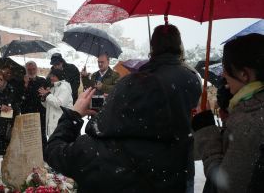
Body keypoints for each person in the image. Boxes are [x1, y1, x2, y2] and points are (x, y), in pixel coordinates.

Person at [45, 24, 202, 192]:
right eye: (98, 62)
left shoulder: (92, 151)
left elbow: (54, 150)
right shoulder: (172, 154)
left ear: (117, 100)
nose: (99, 64)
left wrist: (74, 115)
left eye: (101, 62)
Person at [192, 33, 264, 193]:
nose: (223, 75)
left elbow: (225, 186)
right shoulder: (250, 110)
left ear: (244, 74)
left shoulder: (250, 122)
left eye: (226, 69)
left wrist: (206, 130)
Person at [22, 61, 48, 154]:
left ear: (36, 69)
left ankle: (44, 156)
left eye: (33, 69)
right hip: (27, 113)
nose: (32, 71)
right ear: (26, 70)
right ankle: (31, 155)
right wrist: (25, 85)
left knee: (42, 135)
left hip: (41, 113)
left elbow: (47, 95)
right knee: (29, 136)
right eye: (29, 69)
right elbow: (20, 98)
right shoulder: (22, 82)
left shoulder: (42, 81)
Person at [39, 69, 73, 137]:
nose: (51, 78)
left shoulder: (64, 88)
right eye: (51, 76)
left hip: (61, 124)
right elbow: (49, 105)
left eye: (54, 76)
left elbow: (59, 104)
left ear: (59, 76)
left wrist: (47, 94)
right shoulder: (53, 88)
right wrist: (43, 98)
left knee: (60, 144)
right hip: (52, 124)